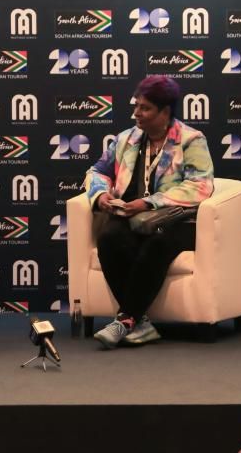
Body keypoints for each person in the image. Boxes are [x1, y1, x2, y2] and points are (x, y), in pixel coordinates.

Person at [84, 75, 215, 348]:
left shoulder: (190, 140)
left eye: (145, 108)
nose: (137, 113)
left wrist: (149, 202)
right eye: (136, 106)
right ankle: (139, 323)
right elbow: (97, 171)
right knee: (108, 238)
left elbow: (201, 185)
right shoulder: (126, 139)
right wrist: (101, 194)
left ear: (164, 112)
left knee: (156, 243)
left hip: (176, 219)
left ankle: (125, 320)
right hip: (131, 216)